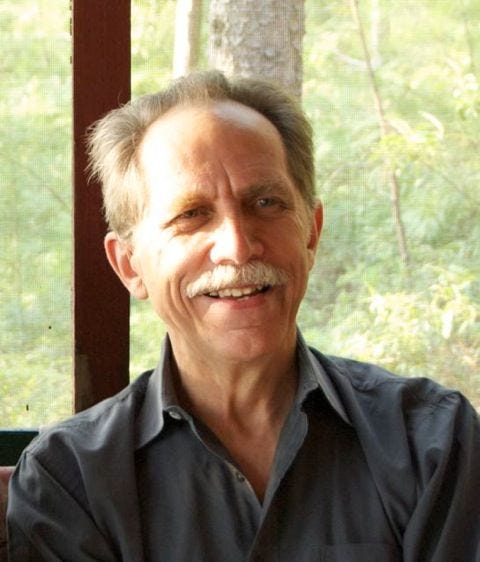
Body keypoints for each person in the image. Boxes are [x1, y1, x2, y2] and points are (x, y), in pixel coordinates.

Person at [7, 70, 480, 562]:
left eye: (266, 203)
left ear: (311, 233)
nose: (236, 246)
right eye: (191, 214)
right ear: (130, 265)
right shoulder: (71, 479)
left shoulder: (431, 440)